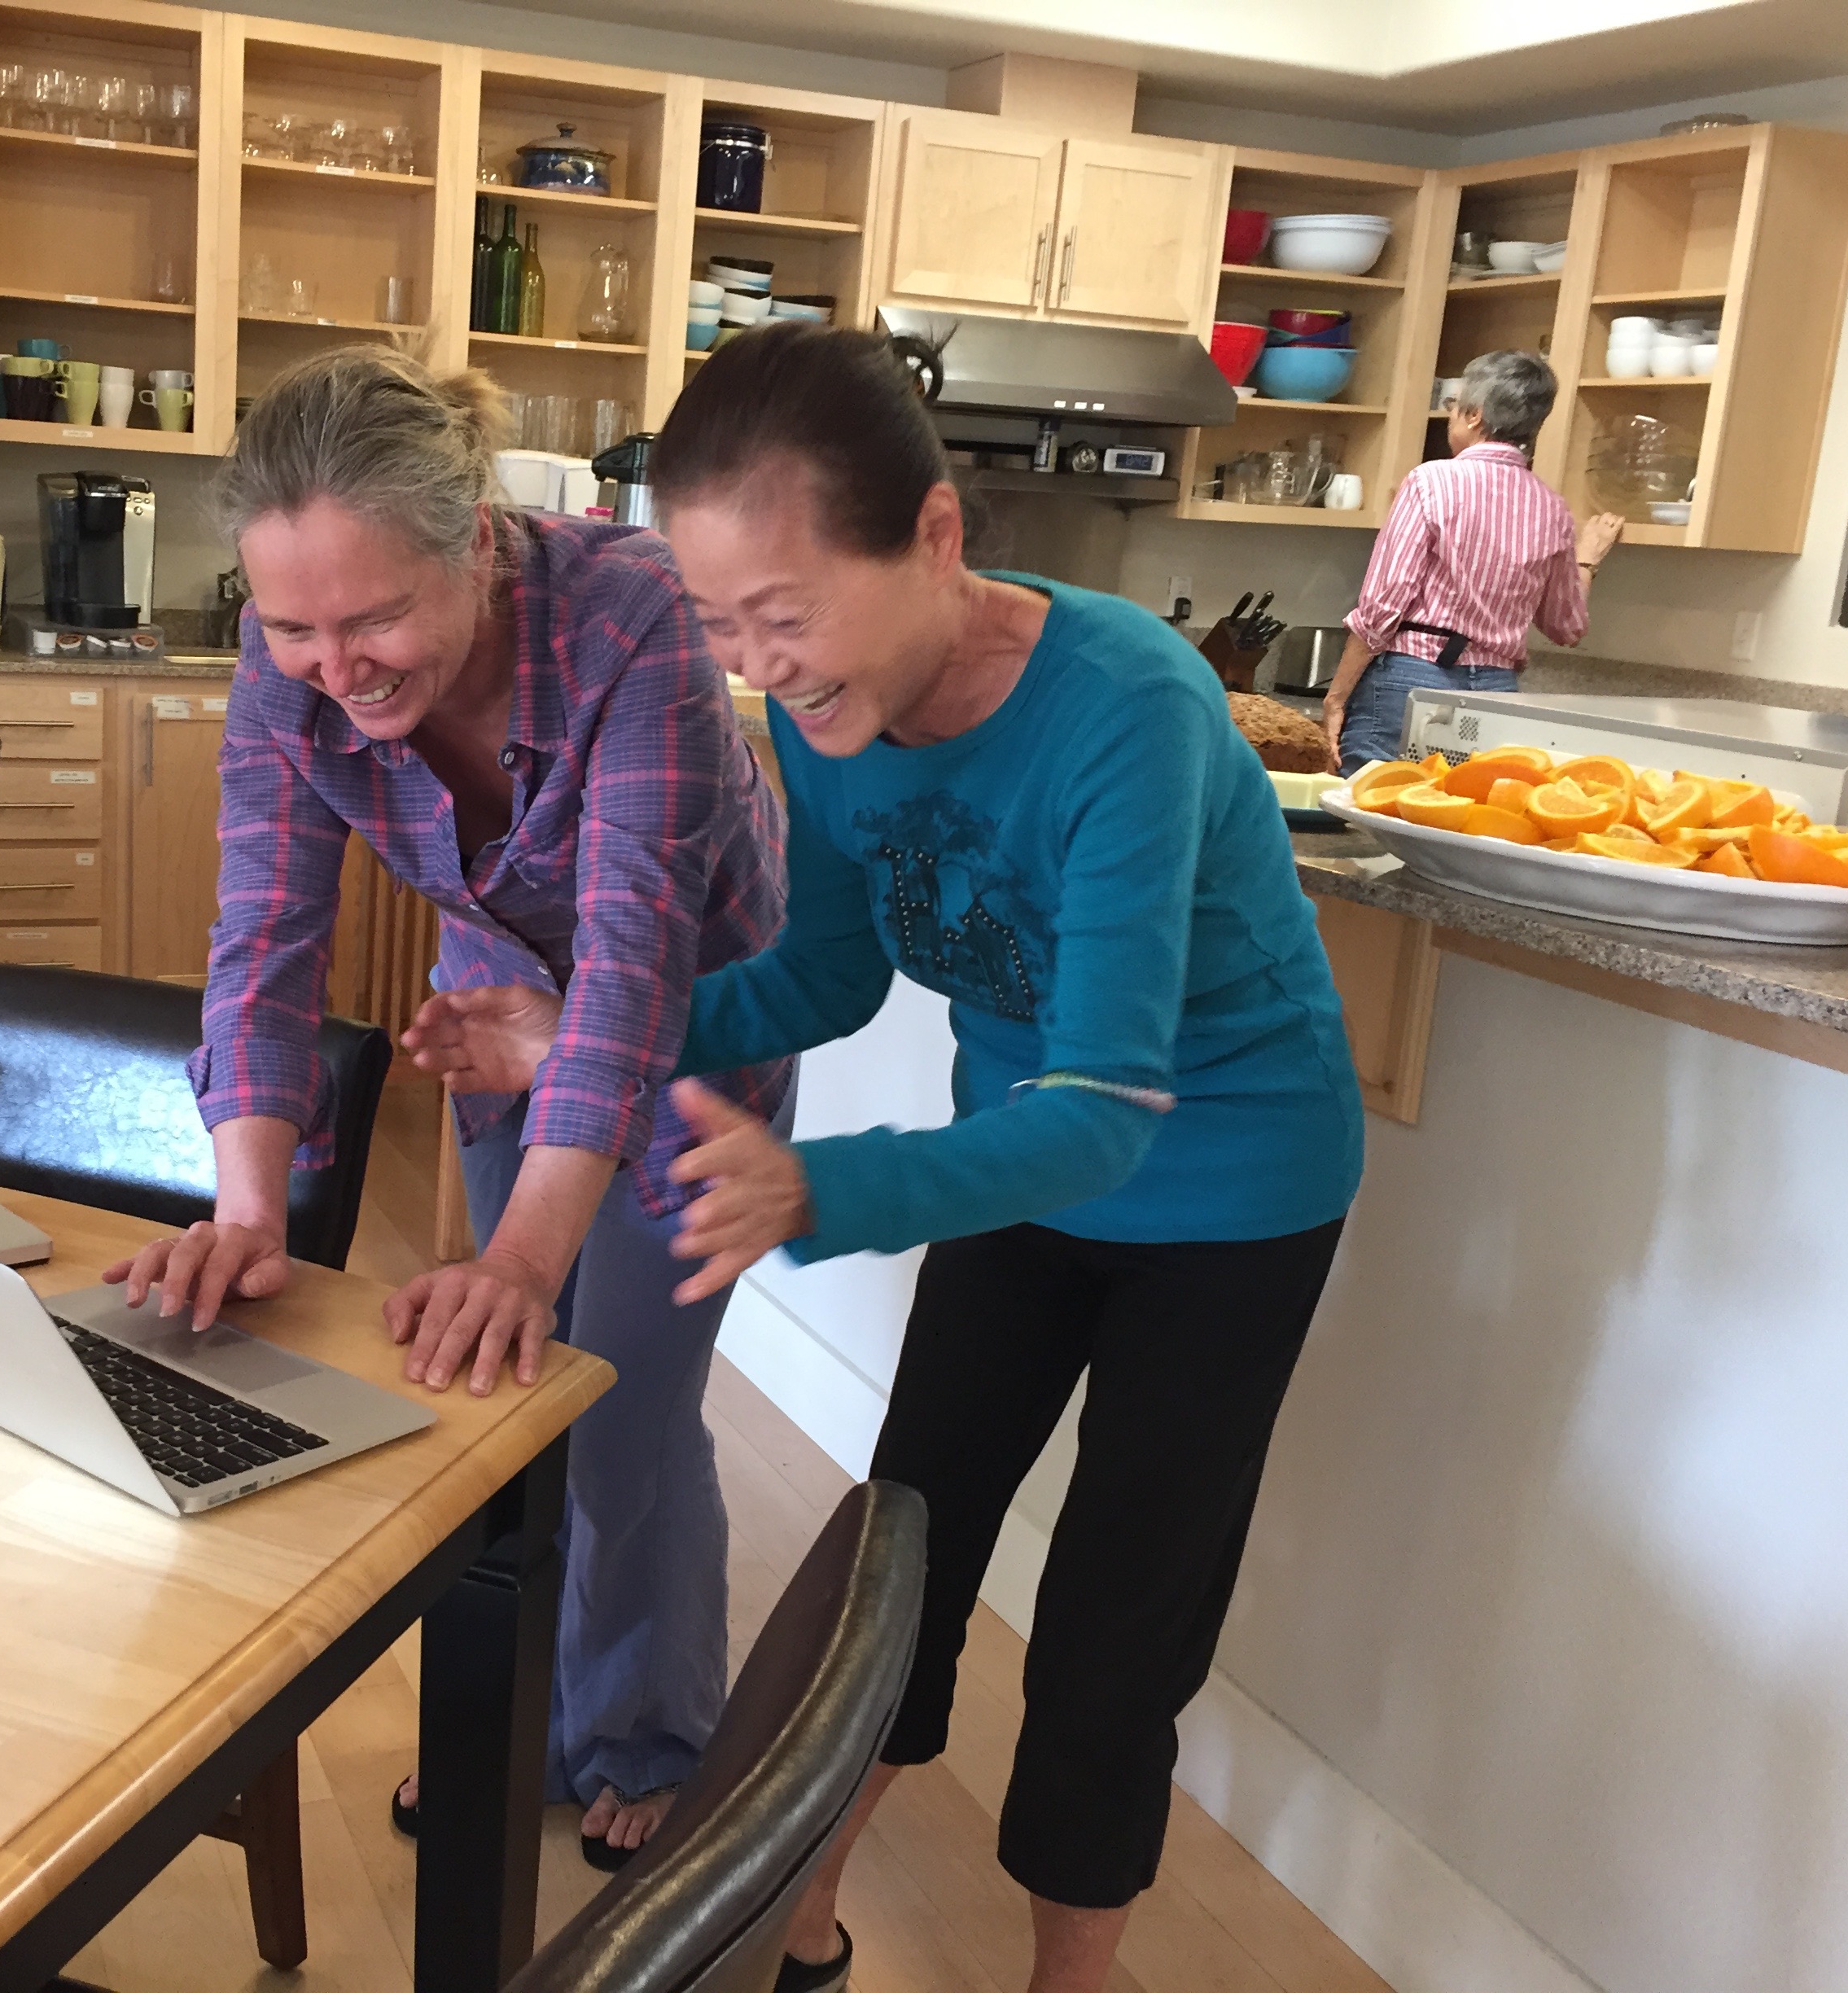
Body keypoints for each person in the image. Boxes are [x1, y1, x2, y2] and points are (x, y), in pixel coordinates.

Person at [402, 322, 1363, 1993]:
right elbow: (823, 981)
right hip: (1019, 1161)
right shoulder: (823, 721)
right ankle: (804, 1911)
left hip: (1227, 1190)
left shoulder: (1128, 706)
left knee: (1111, 1634)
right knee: (899, 1559)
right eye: (719, 623)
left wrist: (823, 1190)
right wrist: (583, 1038)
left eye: (783, 615)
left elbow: (1108, 1104)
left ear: (933, 534)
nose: (756, 663)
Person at [99, 345, 788, 1866]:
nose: (334, 666)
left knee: (624, 1403)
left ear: (473, 543)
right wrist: (248, 1211)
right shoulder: (287, 663)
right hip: (493, 1014)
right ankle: (525, 1719)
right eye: (293, 627)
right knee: (506, 1396)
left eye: (373, 620)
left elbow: (631, 963)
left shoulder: (630, 615)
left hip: (697, 1023)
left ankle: (649, 1734)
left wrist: (521, 1256)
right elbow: (264, 937)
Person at [1323, 348, 1625, 773]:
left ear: (1475, 415)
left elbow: (1382, 606)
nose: (1452, 416)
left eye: (1454, 406)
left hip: (1413, 680)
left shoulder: (1431, 482)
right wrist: (1586, 560)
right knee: (1460, 808)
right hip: (1495, 695)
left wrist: (1337, 698)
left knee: (1373, 800)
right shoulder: (1552, 507)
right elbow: (1566, 626)